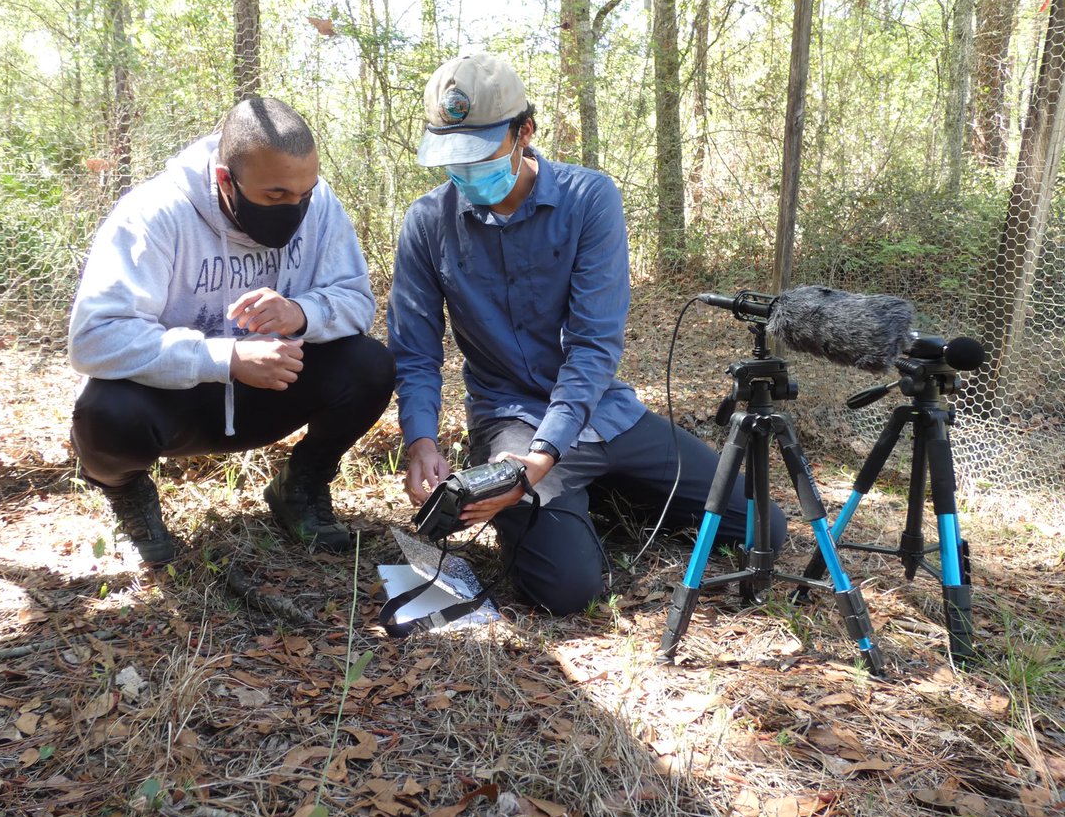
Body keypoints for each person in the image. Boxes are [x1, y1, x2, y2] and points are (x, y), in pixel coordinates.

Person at [387, 53, 786, 615]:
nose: (468, 171)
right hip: (511, 420)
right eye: (454, 158)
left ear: (524, 131)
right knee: (566, 589)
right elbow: (415, 350)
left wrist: (543, 461)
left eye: (480, 153)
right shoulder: (427, 222)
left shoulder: (589, 199)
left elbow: (593, 345)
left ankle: (594, 490)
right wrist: (421, 441)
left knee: (763, 524)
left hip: (602, 411)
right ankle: (564, 502)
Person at [68, 97, 395, 563]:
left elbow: (358, 302)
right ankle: (127, 494)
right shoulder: (153, 214)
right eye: (276, 196)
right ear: (225, 180)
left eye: (305, 193)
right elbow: (95, 337)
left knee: (370, 365)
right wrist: (227, 359)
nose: (296, 208)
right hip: (174, 399)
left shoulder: (319, 204)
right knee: (105, 413)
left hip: (271, 391)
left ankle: (302, 483)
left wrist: (301, 313)